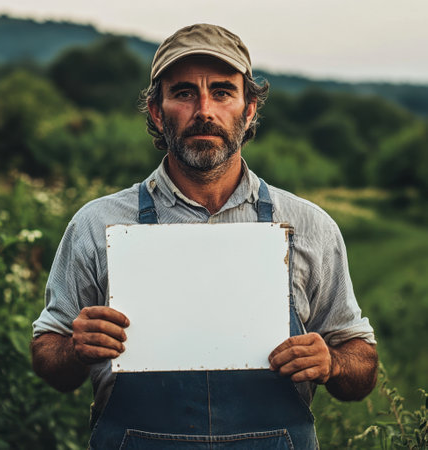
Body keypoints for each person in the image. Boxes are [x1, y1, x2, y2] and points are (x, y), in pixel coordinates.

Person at [31, 24, 378, 449]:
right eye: (183, 93)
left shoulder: (309, 226)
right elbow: (48, 353)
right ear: (157, 111)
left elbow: (361, 361)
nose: (204, 111)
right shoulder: (96, 224)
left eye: (222, 92)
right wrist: (74, 349)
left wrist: (334, 363)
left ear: (249, 109)